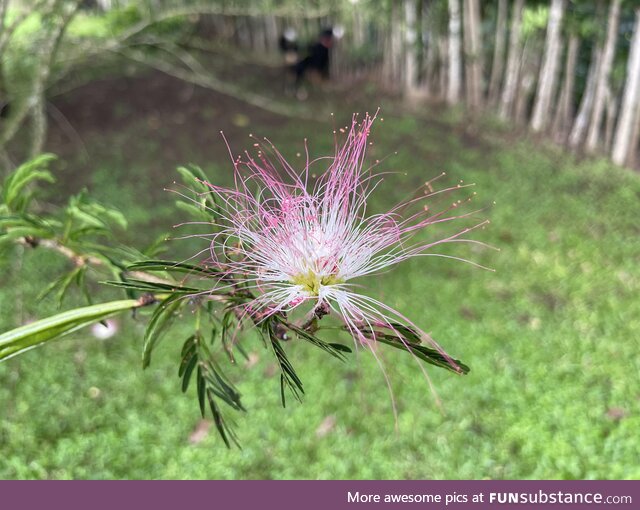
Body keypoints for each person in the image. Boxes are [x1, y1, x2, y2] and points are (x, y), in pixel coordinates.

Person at [290, 28, 334, 99]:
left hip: (317, 67)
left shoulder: (325, 49)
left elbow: (323, 63)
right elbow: (308, 51)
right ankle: (297, 88)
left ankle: (300, 88)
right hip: (310, 65)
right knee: (298, 68)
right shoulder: (317, 46)